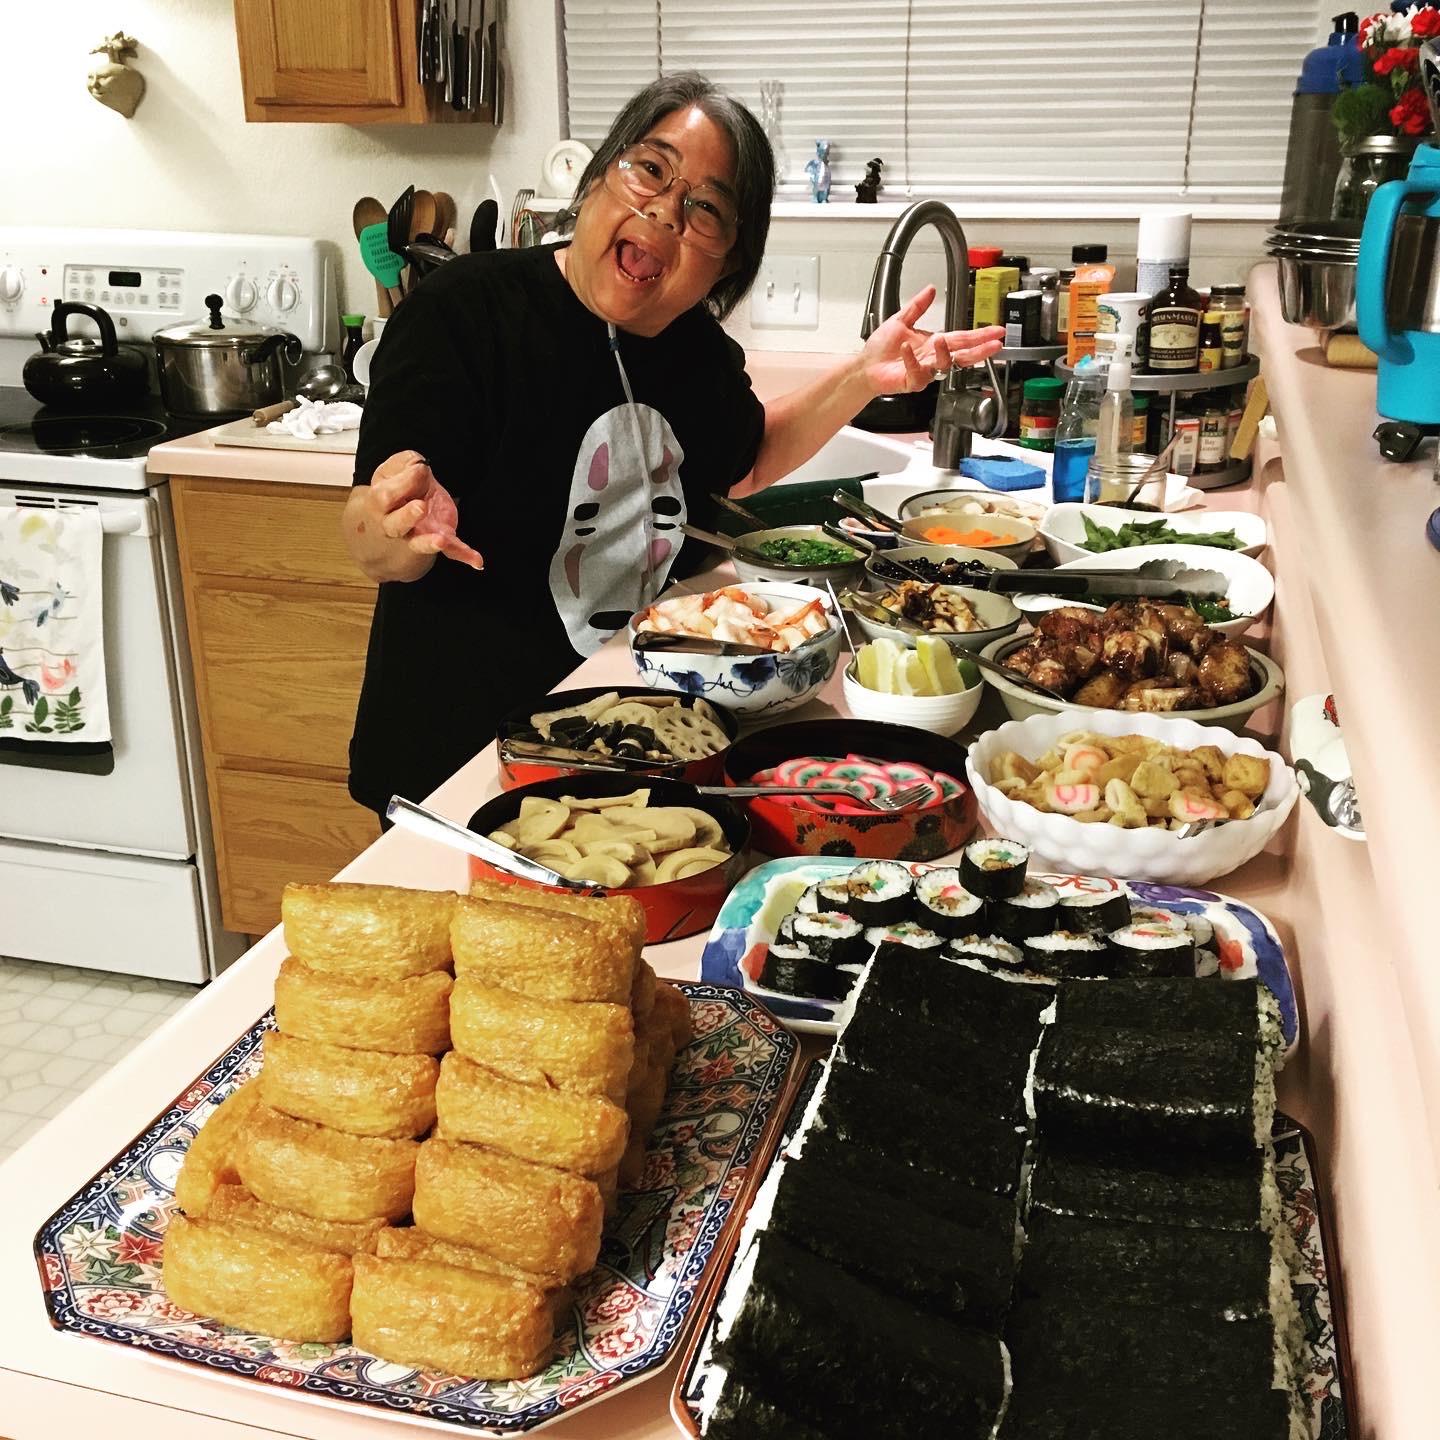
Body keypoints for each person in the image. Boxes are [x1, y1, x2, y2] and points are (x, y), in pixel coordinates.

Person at [343, 72, 1003, 823]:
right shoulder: (461, 313)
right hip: (458, 767)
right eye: (651, 169)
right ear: (598, 177)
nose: (665, 210)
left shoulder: (696, 356)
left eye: (707, 210)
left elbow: (747, 459)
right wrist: (394, 525)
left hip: (629, 752)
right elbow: (372, 538)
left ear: (727, 265)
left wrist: (861, 376)